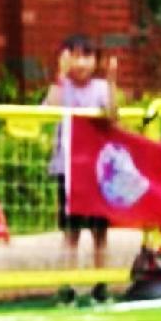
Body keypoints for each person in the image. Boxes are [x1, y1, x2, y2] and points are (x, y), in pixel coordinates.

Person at [45, 35, 117, 275]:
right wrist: (60, 75)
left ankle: (101, 283)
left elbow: (113, 115)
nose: (81, 63)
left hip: (96, 170)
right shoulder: (61, 87)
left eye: (87, 56)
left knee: (100, 233)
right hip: (68, 170)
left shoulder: (101, 88)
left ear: (96, 60)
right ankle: (67, 284)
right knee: (70, 232)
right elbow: (48, 111)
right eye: (74, 56)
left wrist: (112, 82)